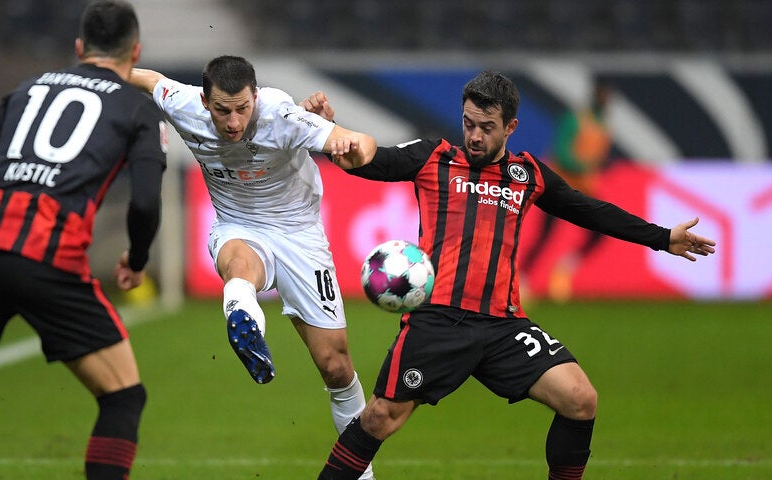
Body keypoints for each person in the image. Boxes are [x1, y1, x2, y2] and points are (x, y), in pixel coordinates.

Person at [305, 70, 716, 480]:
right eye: (469, 124)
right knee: (380, 417)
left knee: (580, 399)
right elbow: (373, 161)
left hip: (503, 326)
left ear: (510, 127)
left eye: (487, 127)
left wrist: (662, 237)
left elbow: (590, 210)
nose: (475, 136)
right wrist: (330, 131)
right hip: (439, 322)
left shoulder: (528, 174)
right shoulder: (434, 158)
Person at [0, 2, 167, 479]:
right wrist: (139, 257)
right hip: (47, 256)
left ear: (80, 48)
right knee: (123, 396)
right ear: (136, 53)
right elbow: (145, 202)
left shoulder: (26, 89)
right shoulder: (136, 107)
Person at [128, 56, 378, 479]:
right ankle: (242, 310)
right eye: (223, 110)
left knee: (336, 367)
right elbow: (148, 78)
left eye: (242, 108)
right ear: (205, 102)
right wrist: (95, 69)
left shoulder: (281, 115)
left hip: (300, 235)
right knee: (240, 265)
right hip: (238, 225)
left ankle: (361, 474)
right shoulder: (183, 103)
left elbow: (362, 143)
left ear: (256, 97)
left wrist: (348, 146)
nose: (233, 120)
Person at [519, 76, 615, 301]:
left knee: (600, 232)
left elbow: (597, 157)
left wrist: (600, 165)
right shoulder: (576, 120)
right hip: (560, 187)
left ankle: (565, 266)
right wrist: (587, 165)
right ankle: (521, 279)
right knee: (545, 236)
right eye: (603, 95)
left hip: (584, 189)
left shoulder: (603, 126)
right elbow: (562, 153)